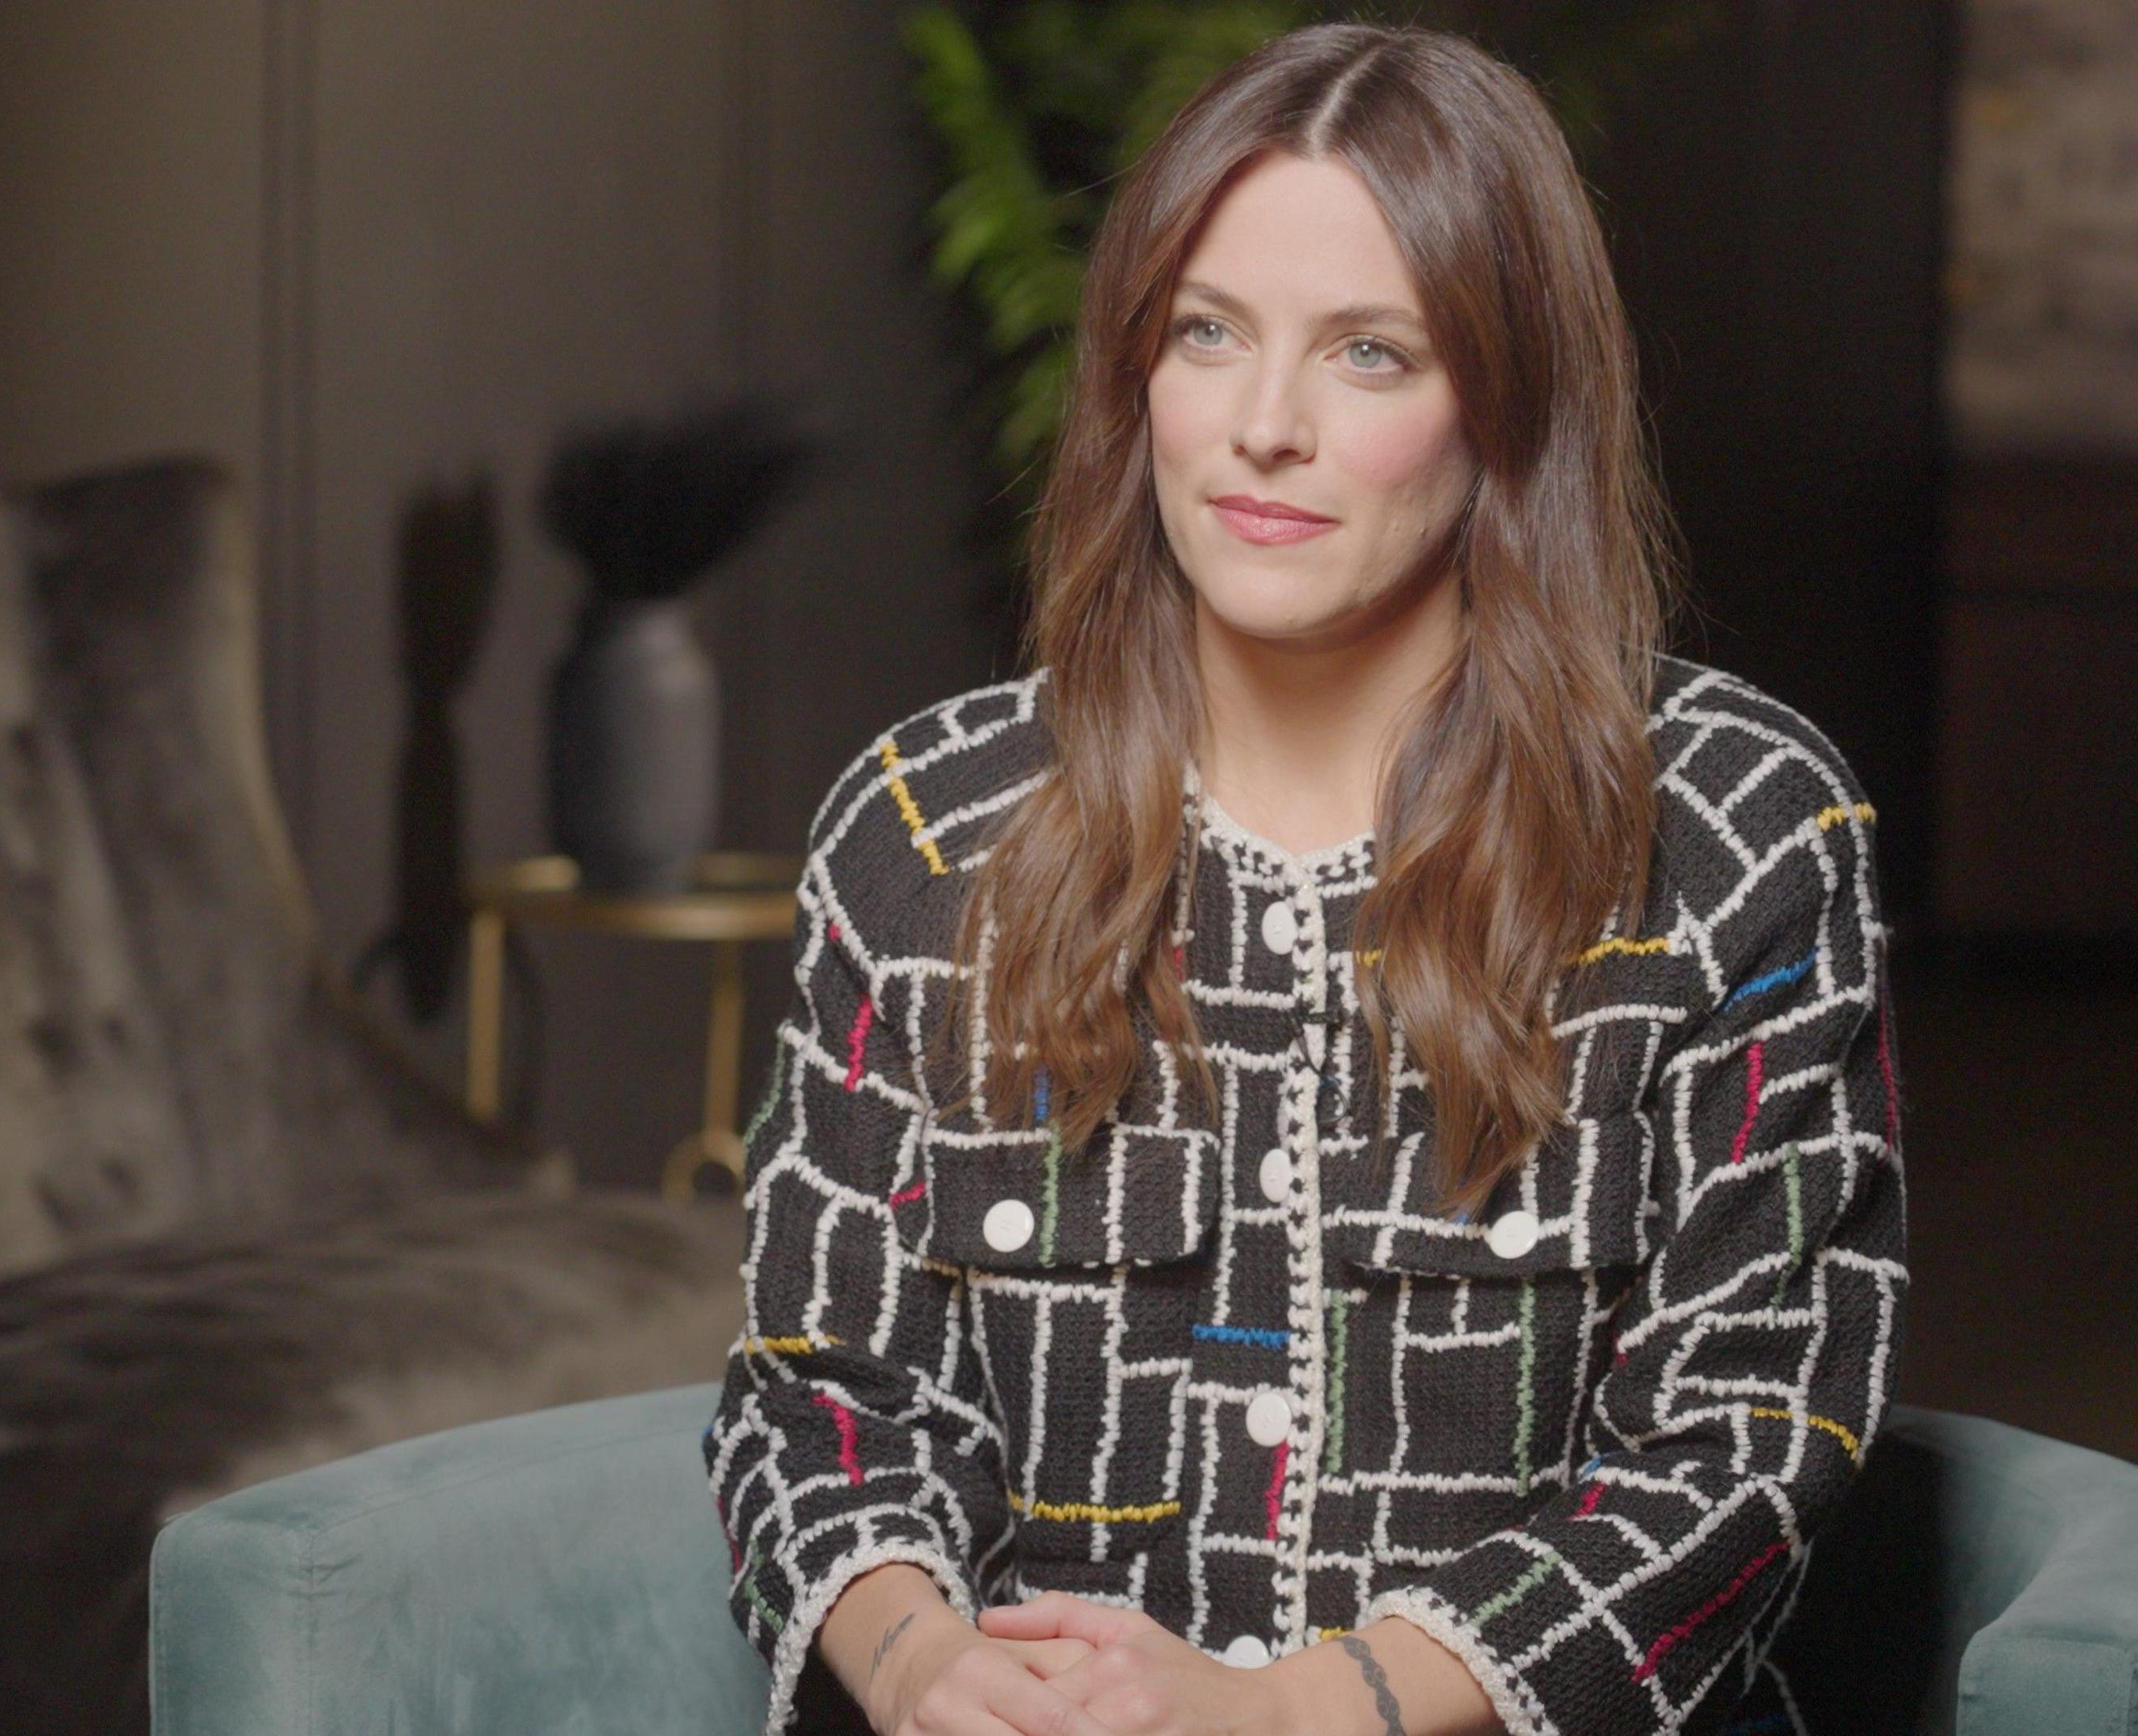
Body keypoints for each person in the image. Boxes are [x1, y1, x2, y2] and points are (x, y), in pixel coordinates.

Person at [702, 23, 1904, 1736]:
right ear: (1134, 374)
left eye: (1369, 354)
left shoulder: (1737, 834)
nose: (1262, 429)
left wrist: (1288, 1714)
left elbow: (1746, 1452)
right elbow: (820, 1393)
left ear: (1510, 398)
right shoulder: (924, 833)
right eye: (1208, 334)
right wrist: (926, 1670)